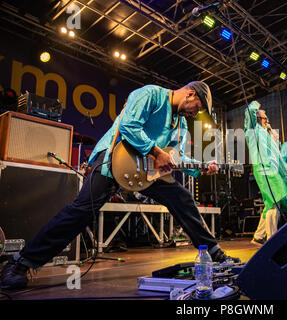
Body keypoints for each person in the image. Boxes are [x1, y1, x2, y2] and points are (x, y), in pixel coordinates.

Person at [0, 81, 239, 290]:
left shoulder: (181, 126)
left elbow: (175, 158)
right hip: (113, 158)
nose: (195, 113)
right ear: (190, 94)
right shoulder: (151, 94)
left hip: (146, 172)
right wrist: (156, 152)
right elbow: (129, 126)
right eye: (197, 107)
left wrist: (200, 166)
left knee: (182, 198)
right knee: (81, 212)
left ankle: (214, 252)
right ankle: (21, 264)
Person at [244, 101, 287, 246]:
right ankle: (272, 240)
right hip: (264, 169)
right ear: (259, 118)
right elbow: (249, 115)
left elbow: (278, 156)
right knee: (274, 201)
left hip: (274, 171)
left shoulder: (267, 134)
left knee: (273, 202)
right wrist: (256, 105)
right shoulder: (253, 129)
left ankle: (259, 237)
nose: (267, 119)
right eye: (264, 116)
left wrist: (286, 170)